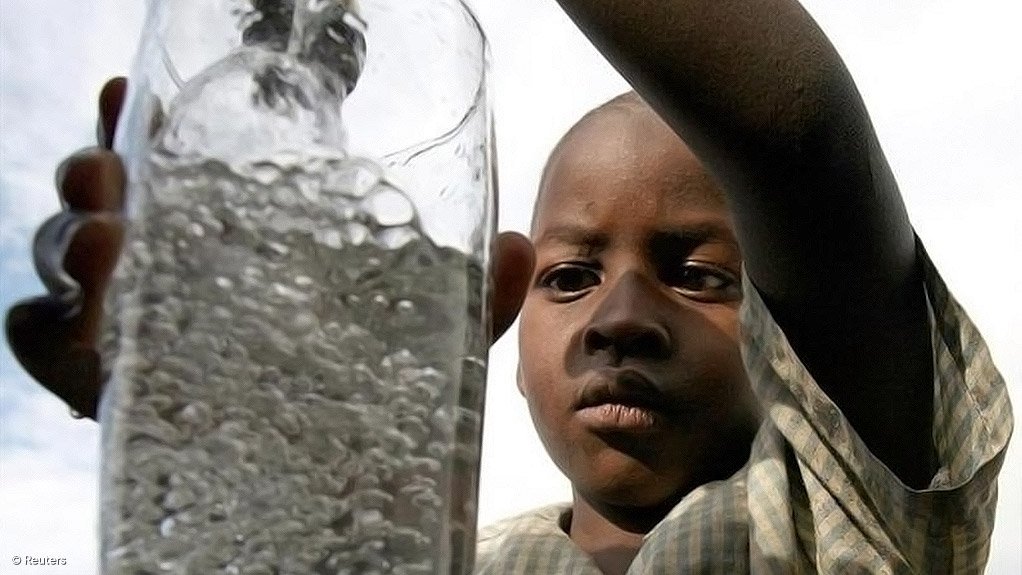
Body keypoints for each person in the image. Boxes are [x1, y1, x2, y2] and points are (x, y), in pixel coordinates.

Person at [6, 0, 1011, 573]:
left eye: (697, 274)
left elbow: (802, 149)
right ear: (498, 328)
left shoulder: (839, 522)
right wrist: (259, 470)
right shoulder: (456, 559)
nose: (619, 319)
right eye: (569, 276)